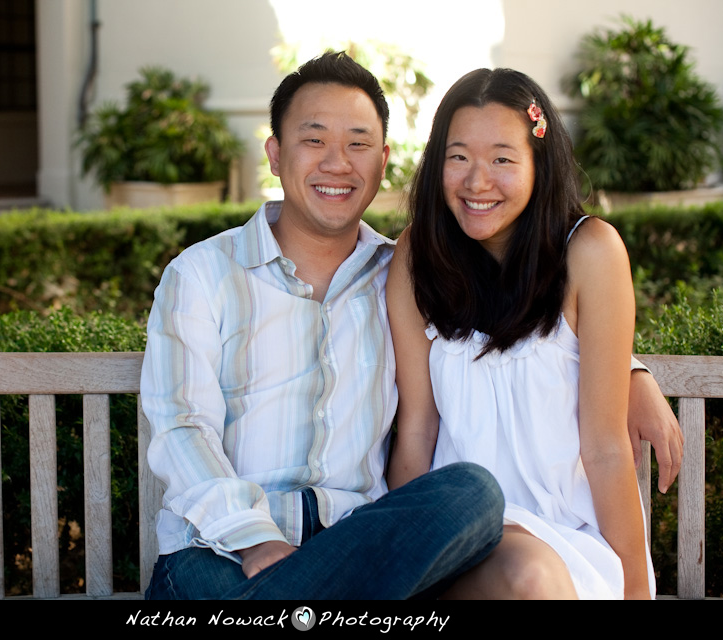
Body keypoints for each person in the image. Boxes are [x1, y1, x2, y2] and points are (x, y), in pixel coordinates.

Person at [140, 53, 681, 600]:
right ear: (275, 155)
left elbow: (541, 350)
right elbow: (184, 429)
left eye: (357, 144)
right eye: (314, 140)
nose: (337, 163)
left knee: (471, 494)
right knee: (471, 510)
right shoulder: (206, 275)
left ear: (383, 160)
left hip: (359, 548)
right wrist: (255, 540)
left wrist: (629, 372)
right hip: (224, 551)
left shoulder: (393, 269)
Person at [386, 68, 657, 599]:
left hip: (569, 538)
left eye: (502, 159)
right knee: (527, 577)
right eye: (458, 156)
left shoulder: (591, 252)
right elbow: (417, 430)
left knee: (533, 577)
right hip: (459, 532)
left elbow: (605, 449)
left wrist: (635, 588)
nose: (476, 181)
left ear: (540, 162)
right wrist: (402, 550)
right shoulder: (418, 257)